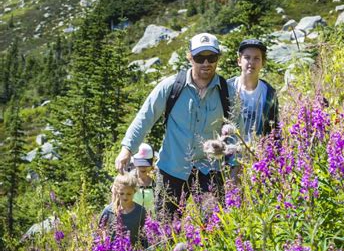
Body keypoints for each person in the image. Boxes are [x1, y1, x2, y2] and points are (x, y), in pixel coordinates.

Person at [115, 33, 231, 218]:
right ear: (190, 57)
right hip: (172, 168)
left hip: (209, 169)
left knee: (215, 226)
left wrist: (234, 166)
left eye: (212, 57)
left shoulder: (226, 91)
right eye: (200, 57)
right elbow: (145, 117)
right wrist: (127, 149)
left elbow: (235, 129)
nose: (206, 63)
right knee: (166, 228)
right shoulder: (171, 86)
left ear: (218, 58)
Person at [227, 38, 279, 143]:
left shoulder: (269, 93)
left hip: (258, 154)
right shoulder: (227, 87)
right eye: (247, 57)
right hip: (230, 153)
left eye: (256, 58)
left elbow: (275, 127)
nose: (251, 62)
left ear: (263, 63)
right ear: (239, 61)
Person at [99, 172, 147, 246]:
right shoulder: (108, 210)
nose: (125, 197)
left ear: (134, 191)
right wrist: (105, 240)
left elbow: (144, 232)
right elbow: (101, 228)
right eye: (122, 193)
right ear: (116, 192)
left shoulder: (140, 211)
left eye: (129, 194)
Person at [131, 143, 156, 213]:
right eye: (140, 163)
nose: (143, 167)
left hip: (152, 222)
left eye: (146, 164)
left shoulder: (156, 180)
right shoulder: (129, 180)